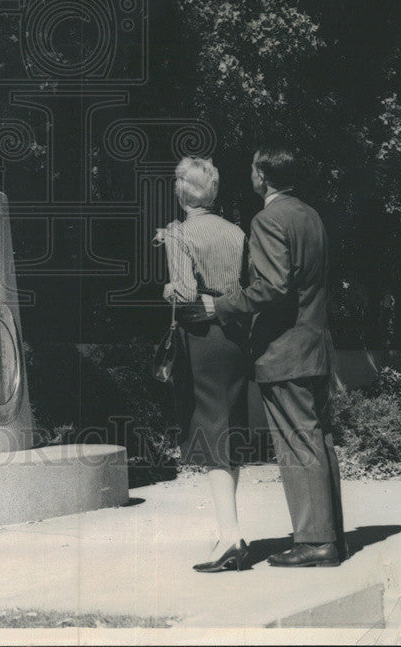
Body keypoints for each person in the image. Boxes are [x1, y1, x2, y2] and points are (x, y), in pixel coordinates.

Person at [202, 145, 347, 567]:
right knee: (319, 440)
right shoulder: (311, 215)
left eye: (252, 169)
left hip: (285, 352)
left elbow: (272, 287)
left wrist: (221, 305)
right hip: (316, 346)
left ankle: (315, 541)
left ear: (261, 177)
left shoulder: (267, 219)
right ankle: (330, 536)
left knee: (299, 443)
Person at [158, 156, 251, 573]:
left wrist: (167, 289)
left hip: (202, 340)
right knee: (228, 427)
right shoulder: (237, 233)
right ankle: (229, 529)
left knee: (212, 433)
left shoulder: (177, 234)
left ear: (181, 192)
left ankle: (230, 536)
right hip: (235, 337)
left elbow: (185, 294)